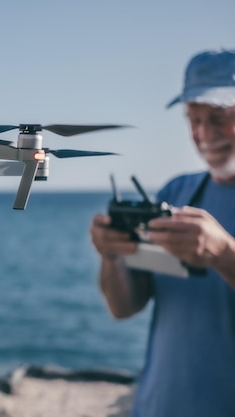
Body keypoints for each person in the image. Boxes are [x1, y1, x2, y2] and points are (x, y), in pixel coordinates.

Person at [90, 49, 235, 417]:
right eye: (193, 119)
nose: (204, 135)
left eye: (218, 118)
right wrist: (111, 257)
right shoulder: (176, 194)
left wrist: (223, 255)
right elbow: (125, 307)